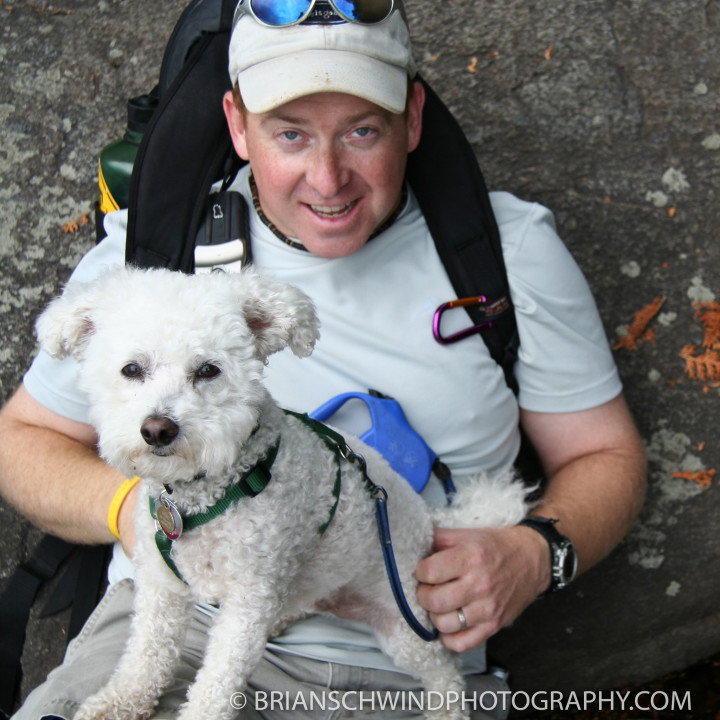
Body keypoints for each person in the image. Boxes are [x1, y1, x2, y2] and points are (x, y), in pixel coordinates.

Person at [0, 1, 646, 718]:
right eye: (291, 135)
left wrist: (534, 553)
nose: (328, 178)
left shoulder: (508, 253)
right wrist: (138, 512)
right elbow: (21, 441)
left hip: (397, 661)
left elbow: (605, 454)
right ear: (239, 126)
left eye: (362, 131)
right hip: (178, 634)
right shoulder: (153, 256)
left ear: (413, 118)